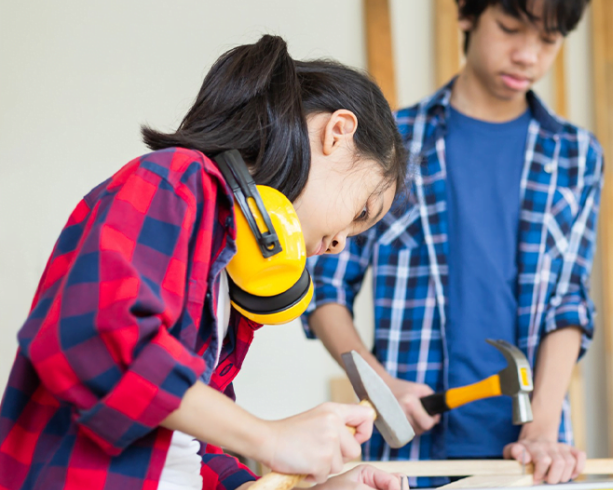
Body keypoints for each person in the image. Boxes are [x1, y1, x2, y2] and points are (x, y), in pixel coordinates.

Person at [0, 35, 409, 490]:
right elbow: (97, 339)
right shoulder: (175, 181)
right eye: (361, 212)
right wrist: (268, 437)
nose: (339, 245)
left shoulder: (225, 273)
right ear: (338, 133)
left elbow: (188, 447)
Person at [304, 0, 602, 486]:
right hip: (411, 450)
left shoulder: (577, 156)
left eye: (548, 40)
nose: (528, 55)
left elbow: (569, 301)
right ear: (466, 13)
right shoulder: (393, 141)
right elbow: (325, 286)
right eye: (510, 28)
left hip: (531, 455)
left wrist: (543, 427)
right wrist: (379, 386)